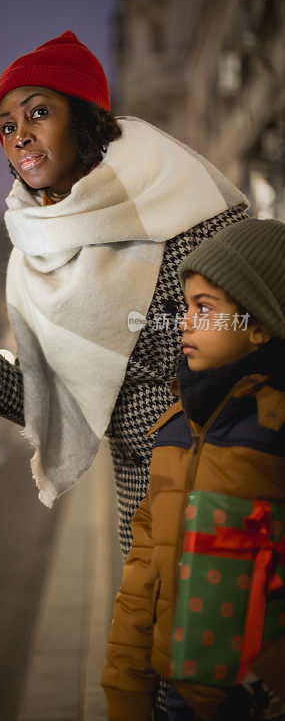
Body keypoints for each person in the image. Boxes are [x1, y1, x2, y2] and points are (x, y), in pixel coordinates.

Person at [0, 30, 248, 715]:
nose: (20, 136)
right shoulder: (35, 257)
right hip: (141, 526)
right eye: (5, 126)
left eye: (37, 112)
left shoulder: (181, 206)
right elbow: (46, 393)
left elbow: (248, 332)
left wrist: (139, 335)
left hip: (227, 509)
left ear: (84, 117)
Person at [102, 217, 285, 721]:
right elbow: (143, 576)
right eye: (186, 306)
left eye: (205, 308)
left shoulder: (276, 427)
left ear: (261, 323)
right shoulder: (175, 430)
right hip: (177, 700)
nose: (185, 322)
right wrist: (124, 691)